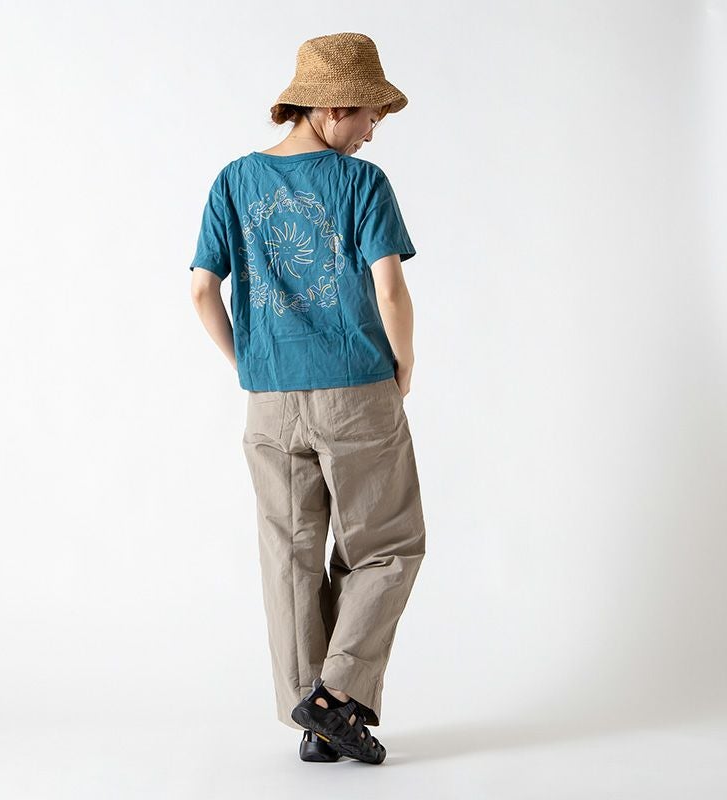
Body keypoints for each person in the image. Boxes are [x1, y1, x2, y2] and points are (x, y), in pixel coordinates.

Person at [189, 32, 426, 765]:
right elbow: (390, 289)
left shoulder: (233, 180)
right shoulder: (361, 184)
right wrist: (404, 366)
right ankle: (336, 695)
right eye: (369, 116)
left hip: (269, 401)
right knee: (385, 547)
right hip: (356, 390)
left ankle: (314, 720)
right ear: (333, 107)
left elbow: (201, 290)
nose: (372, 132)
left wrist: (249, 364)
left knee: (289, 554)